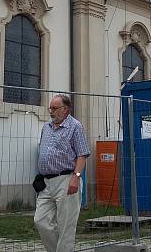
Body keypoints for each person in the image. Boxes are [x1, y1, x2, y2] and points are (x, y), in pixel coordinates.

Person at [34, 94, 91, 252]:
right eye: (50, 108)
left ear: (65, 109)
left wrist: (76, 177)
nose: (51, 111)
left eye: (54, 108)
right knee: (41, 220)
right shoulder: (46, 127)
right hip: (46, 182)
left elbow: (82, 154)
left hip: (67, 180)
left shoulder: (75, 126)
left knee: (66, 226)